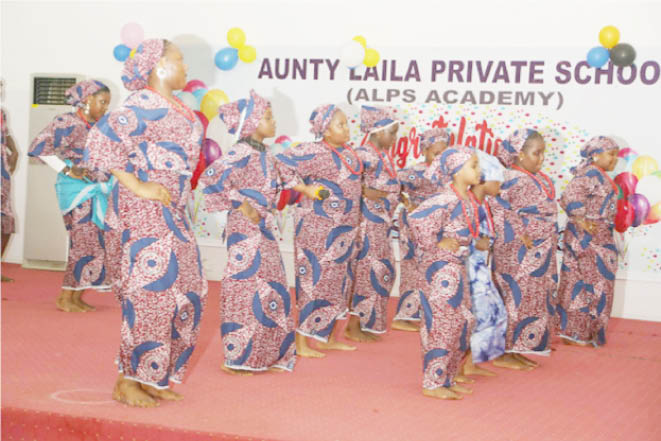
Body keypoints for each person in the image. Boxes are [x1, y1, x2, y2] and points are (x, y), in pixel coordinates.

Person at [84, 38, 208, 407]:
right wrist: (138, 184)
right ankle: (127, 380)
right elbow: (100, 141)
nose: (186, 67)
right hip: (144, 211)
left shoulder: (179, 107)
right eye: (180, 60)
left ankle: (153, 373)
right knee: (152, 293)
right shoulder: (140, 104)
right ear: (159, 65)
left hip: (173, 211)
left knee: (185, 291)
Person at [200, 90, 323, 372]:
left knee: (271, 290)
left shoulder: (263, 151)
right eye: (267, 117)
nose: (274, 121)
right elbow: (211, 178)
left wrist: (305, 189)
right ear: (251, 123)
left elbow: (283, 174)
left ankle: (266, 354)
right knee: (246, 292)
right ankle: (238, 358)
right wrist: (242, 206)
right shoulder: (240, 152)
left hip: (263, 227)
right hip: (245, 229)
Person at [276, 105, 363, 357]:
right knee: (313, 283)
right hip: (317, 230)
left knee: (337, 284)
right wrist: (304, 190)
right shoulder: (313, 151)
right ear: (324, 129)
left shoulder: (349, 153)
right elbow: (280, 162)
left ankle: (326, 338)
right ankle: (301, 344)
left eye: (347, 123)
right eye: (340, 124)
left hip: (344, 232)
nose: (346, 128)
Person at [28, 79, 111, 311]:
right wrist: (67, 169)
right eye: (102, 102)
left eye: (107, 103)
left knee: (94, 244)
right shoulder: (67, 121)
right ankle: (65, 298)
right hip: (78, 192)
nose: (105, 107)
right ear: (86, 100)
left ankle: (75, 296)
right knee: (82, 244)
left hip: (97, 192)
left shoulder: (100, 125)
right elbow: (39, 147)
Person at [408, 146, 480, 400]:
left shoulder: (467, 199)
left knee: (460, 322)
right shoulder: (444, 198)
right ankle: (432, 383)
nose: (478, 170)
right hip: (439, 270)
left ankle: (447, 379)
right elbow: (416, 218)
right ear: (457, 171)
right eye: (473, 165)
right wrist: (435, 243)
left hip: (457, 268)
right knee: (440, 325)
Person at [491, 129, 558, 370]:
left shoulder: (536, 177)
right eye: (536, 153)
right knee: (514, 297)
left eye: (543, 153)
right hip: (517, 251)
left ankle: (517, 347)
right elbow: (496, 205)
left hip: (539, 252)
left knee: (531, 299)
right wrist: (519, 232)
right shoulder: (512, 178)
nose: (541, 158)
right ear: (520, 154)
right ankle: (503, 351)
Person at [557, 136, 620, 347]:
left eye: (616, 155)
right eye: (611, 154)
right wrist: (580, 219)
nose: (615, 159)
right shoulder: (589, 174)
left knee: (591, 285)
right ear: (596, 155)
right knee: (583, 284)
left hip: (598, 238)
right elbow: (570, 196)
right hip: (587, 239)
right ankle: (574, 333)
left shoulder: (599, 174)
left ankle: (583, 332)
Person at [346, 106, 400, 341]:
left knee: (381, 271)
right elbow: (346, 184)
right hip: (366, 223)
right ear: (377, 132)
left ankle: (367, 322)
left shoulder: (384, 155)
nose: (395, 138)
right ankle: (353, 325)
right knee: (366, 271)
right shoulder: (361, 154)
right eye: (392, 132)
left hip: (382, 224)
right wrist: (364, 191)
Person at [392, 127, 449, 332]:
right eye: (435, 153)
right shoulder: (413, 172)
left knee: (435, 269)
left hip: (439, 228)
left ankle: (429, 311)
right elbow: (391, 187)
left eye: (444, 153)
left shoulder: (449, 175)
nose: (439, 158)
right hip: (414, 227)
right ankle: (404, 315)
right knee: (412, 269)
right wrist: (409, 206)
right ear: (424, 150)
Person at [462, 150, 507, 377]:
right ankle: (462, 364)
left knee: (490, 314)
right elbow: (454, 235)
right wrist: (474, 243)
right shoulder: (467, 203)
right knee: (476, 315)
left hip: (481, 268)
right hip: (467, 270)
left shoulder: (483, 203)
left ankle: (471, 361)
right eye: (498, 178)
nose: (501, 184)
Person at [1, 79, 19, 282]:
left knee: (6, 221)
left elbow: (6, 135)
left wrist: (14, 151)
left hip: (2, 172)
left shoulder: (2, 113)